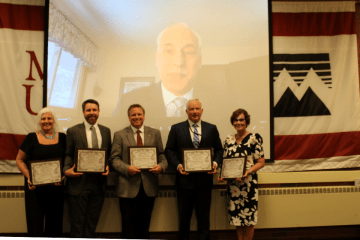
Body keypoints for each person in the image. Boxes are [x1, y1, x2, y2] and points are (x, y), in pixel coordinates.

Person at [165, 98, 223, 240]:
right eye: (191, 109)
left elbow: (219, 150)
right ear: (186, 111)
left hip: (205, 182)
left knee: (204, 219)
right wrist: (178, 165)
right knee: (184, 220)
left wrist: (215, 164)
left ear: (202, 111)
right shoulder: (176, 128)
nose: (195, 112)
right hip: (184, 182)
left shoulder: (212, 128)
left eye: (197, 109)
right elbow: (169, 150)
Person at [109, 104, 168, 238]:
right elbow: (114, 158)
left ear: (144, 116)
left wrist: (161, 167)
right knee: (128, 227)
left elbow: (162, 156)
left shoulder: (155, 133)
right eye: (133, 115)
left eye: (139, 114)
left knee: (144, 226)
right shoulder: (120, 135)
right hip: (127, 187)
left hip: (149, 187)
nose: (137, 117)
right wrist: (127, 168)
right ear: (129, 117)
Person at [63, 99, 111, 238]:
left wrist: (107, 166)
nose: (92, 113)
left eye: (94, 110)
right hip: (78, 183)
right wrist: (66, 170)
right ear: (83, 112)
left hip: (99, 184)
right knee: (77, 223)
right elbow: (68, 154)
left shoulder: (106, 131)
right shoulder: (73, 131)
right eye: (88, 110)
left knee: (92, 221)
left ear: (99, 111)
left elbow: (108, 155)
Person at [15, 107, 65, 237]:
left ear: (54, 121)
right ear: (39, 121)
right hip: (35, 188)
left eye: (49, 118)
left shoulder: (64, 138)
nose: (46, 121)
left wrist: (63, 177)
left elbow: (68, 162)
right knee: (34, 223)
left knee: (54, 224)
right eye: (43, 119)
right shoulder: (31, 138)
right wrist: (29, 177)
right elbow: (19, 160)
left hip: (56, 189)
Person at [217, 108, 265, 240]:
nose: (238, 122)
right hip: (233, 186)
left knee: (248, 218)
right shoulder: (228, 139)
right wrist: (221, 174)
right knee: (236, 218)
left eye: (241, 120)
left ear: (246, 121)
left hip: (248, 185)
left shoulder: (254, 138)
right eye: (236, 120)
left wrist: (247, 171)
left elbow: (261, 162)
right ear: (233, 122)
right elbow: (225, 161)